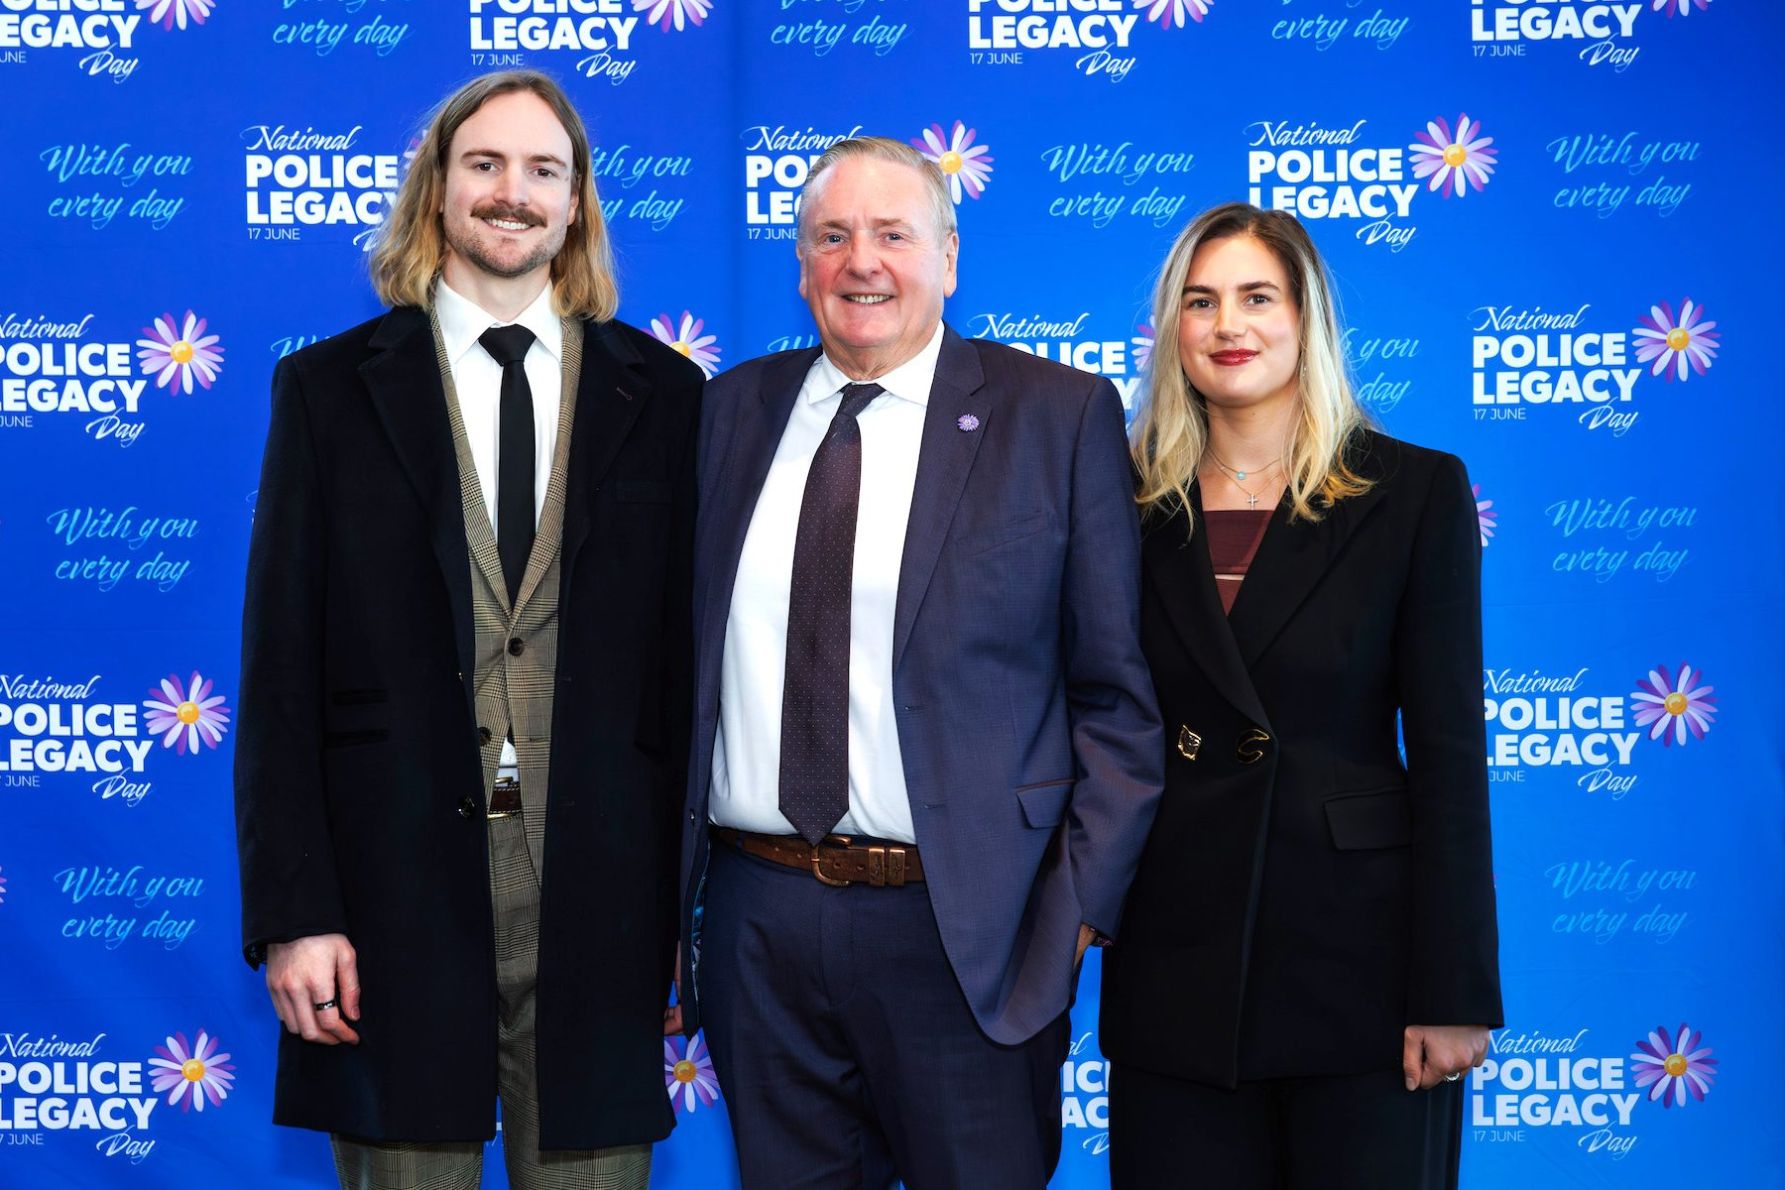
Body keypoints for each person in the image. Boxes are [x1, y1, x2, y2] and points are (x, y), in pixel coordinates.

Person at [234, 70, 702, 1190]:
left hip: (604, 905)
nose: (511, 192)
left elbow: (692, 676)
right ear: (436, 189)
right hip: (390, 903)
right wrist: (296, 913)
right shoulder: (328, 390)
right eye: (483, 163)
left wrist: (691, 924)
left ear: (576, 203)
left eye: (543, 170)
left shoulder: (667, 394)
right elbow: (280, 668)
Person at [672, 136, 1163, 1188]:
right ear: (801, 265)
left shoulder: (1058, 416)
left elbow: (1117, 699)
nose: (862, 262)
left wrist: (1070, 918)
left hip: (968, 929)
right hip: (761, 921)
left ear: (948, 256)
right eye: (833, 236)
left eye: (893, 234)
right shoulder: (727, 414)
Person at [1099, 201, 1503, 1188]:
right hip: (1174, 963)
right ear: (1172, 326)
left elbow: (1450, 753)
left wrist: (1455, 990)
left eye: (1256, 297)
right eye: (1200, 301)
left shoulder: (1411, 492)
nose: (1227, 325)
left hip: (1361, 971)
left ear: (1306, 316)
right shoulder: (1119, 498)